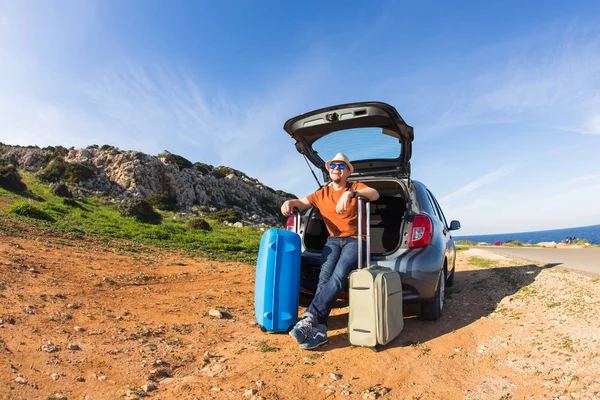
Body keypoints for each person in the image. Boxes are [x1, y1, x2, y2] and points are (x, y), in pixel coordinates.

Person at [280, 152, 379, 350]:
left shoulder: (355, 186)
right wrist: (290, 202)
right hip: (333, 241)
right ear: (329, 170)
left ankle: (310, 318)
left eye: (341, 166)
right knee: (323, 280)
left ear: (348, 171)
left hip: (356, 240)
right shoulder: (322, 193)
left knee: (339, 275)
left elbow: (374, 194)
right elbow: (302, 202)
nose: (336, 168)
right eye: (333, 165)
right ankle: (321, 329)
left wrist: (351, 194)